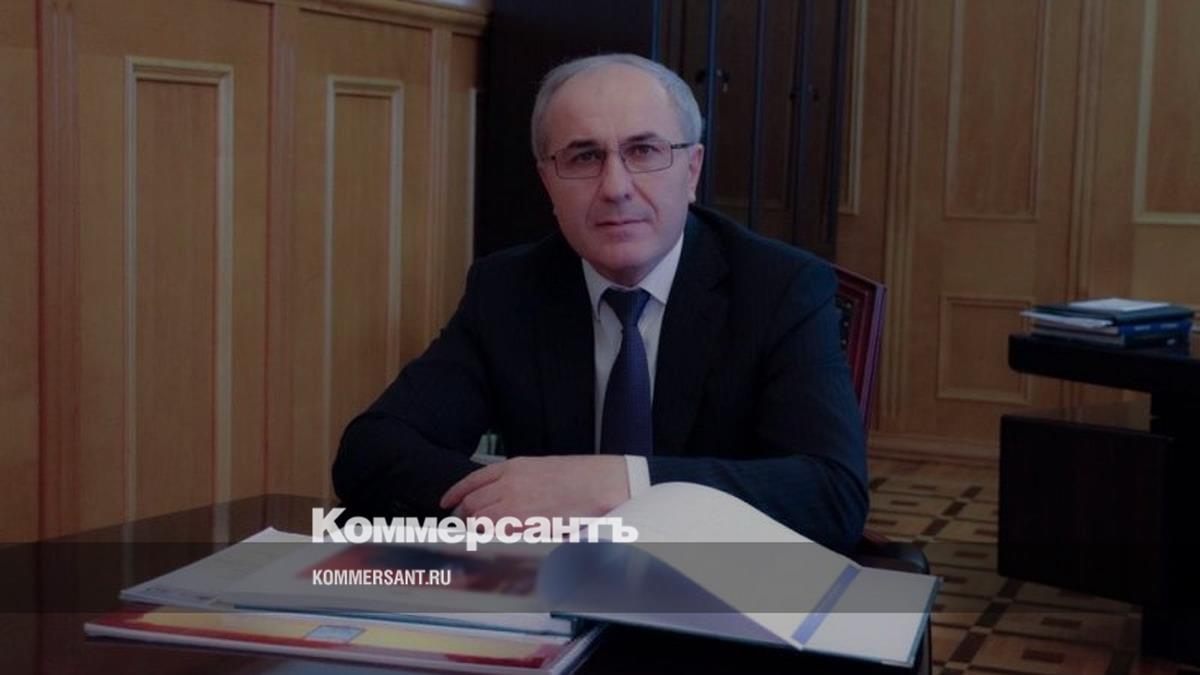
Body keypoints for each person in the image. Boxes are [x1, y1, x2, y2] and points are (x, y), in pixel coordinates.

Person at [332, 53, 867, 553]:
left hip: (716, 595)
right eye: (585, 157)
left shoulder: (779, 287)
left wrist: (620, 483)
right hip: (550, 594)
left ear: (692, 170)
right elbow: (372, 451)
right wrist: (517, 501)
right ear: (548, 182)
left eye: (644, 151)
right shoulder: (509, 288)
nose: (615, 187)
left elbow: (831, 494)